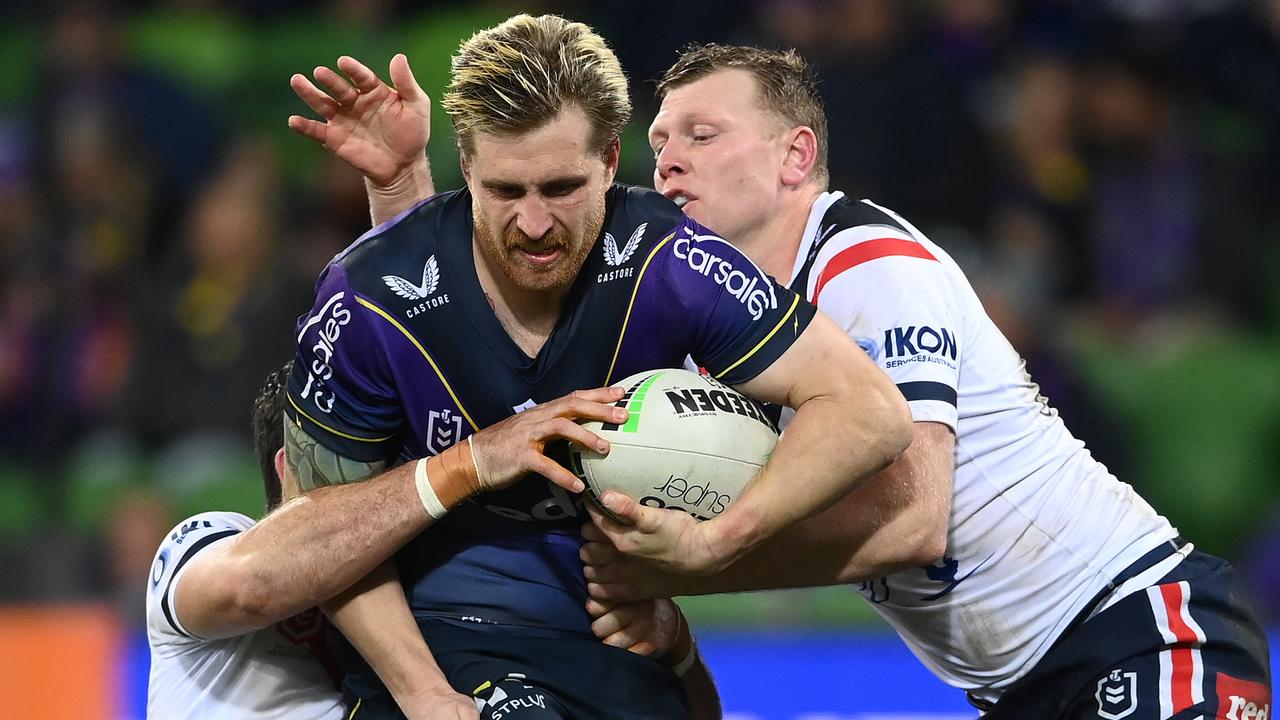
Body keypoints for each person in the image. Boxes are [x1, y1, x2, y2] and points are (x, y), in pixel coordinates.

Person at [315, 39, 1271, 719]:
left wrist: (698, 559)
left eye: (702, 131)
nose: (670, 157)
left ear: (795, 157)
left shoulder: (866, 260)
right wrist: (400, 189)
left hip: (1141, 626)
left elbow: (915, 518)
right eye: (659, 142)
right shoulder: (707, 331)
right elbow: (446, 346)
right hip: (1013, 686)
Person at [283, 14, 910, 720]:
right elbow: (320, 536)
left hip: (614, 642)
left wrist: (716, 543)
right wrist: (421, 692)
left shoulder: (670, 260)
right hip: (437, 646)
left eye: (561, 188)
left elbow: (871, 413)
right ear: (466, 168)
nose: (535, 224)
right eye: (505, 192)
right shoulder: (369, 294)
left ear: (611, 161)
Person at [147, 360, 717, 719]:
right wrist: (466, 464)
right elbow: (250, 588)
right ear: (289, 463)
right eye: (365, 462)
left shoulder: (423, 588)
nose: (388, 483)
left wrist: (676, 646)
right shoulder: (212, 540)